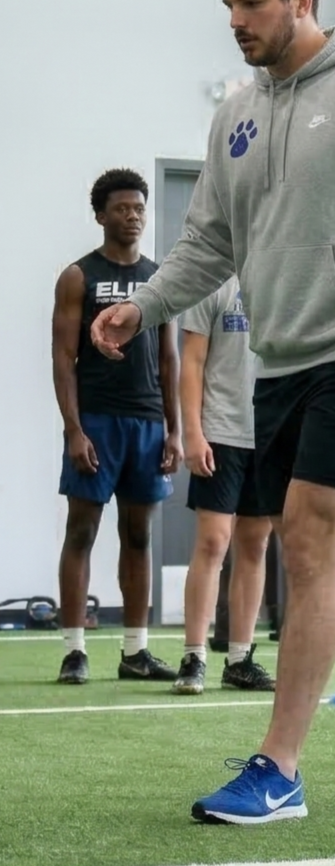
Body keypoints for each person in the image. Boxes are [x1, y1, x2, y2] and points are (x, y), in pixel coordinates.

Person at [91, 0, 335, 824]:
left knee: (307, 538)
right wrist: (143, 306)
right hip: (281, 363)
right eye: (227, 6)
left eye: (251, 3)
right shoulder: (235, 111)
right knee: (308, 550)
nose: (234, 21)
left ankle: (278, 768)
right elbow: (208, 244)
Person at [50, 168, 182, 686]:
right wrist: (73, 429)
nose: (133, 217)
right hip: (97, 422)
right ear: (101, 215)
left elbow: (169, 360)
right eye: (122, 209)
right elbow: (63, 357)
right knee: (81, 530)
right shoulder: (78, 276)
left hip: (147, 422)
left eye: (139, 209)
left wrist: (174, 430)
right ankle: (74, 650)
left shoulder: (159, 280)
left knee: (139, 534)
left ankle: (135, 651)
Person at [173, 274, 276, 696]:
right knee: (213, 543)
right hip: (219, 432)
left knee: (254, 545)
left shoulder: (278, 279)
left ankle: (239, 658)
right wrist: (192, 434)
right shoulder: (211, 282)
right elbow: (192, 361)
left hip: (269, 433)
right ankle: (194, 654)